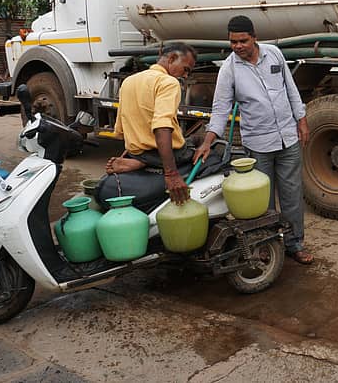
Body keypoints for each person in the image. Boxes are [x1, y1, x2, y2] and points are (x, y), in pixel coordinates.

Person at [193, 15, 313, 264]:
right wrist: (208, 140)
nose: (237, 46)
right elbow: (221, 108)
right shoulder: (229, 69)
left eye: (243, 41)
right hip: (258, 144)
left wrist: (301, 120)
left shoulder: (274, 54)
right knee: (262, 202)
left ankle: (295, 244)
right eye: (233, 42)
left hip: (288, 138)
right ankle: (266, 245)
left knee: (292, 195)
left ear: (254, 37)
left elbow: (291, 89)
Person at [106, 43, 198, 205]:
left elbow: (120, 128)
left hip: (137, 152)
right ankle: (146, 162)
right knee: (202, 145)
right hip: (161, 154)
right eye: (185, 69)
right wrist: (171, 174)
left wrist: (130, 151)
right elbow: (162, 126)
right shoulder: (169, 82)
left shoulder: (128, 81)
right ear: (172, 59)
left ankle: (142, 160)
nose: (185, 75)